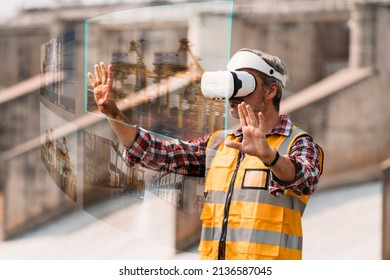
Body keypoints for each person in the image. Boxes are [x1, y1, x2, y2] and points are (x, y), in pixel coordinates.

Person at [87, 48, 324, 260]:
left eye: (242, 83)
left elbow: (305, 179)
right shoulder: (221, 143)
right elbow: (157, 154)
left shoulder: (297, 142)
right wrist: (114, 115)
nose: (232, 94)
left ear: (271, 90)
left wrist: (269, 156)